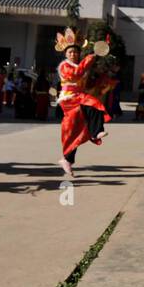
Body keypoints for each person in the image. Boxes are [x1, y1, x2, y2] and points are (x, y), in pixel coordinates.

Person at [55, 28, 108, 177]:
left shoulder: (79, 67)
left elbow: (84, 83)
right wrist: (87, 61)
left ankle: (67, 160)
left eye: (76, 52)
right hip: (69, 99)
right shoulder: (64, 66)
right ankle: (96, 132)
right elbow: (75, 74)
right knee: (94, 105)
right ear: (65, 54)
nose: (73, 54)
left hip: (78, 96)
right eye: (70, 52)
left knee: (75, 131)